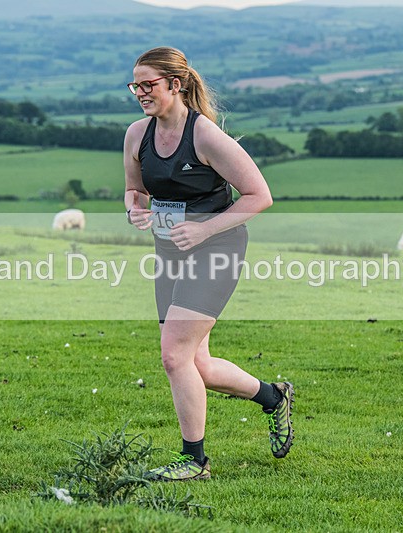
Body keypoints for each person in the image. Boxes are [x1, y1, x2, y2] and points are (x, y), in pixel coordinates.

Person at [123, 46, 294, 481]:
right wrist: (135, 209)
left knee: (173, 356)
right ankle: (273, 398)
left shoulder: (205, 136)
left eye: (149, 84)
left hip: (215, 249)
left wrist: (203, 230)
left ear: (175, 85)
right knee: (196, 364)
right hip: (168, 252)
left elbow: (261, 196)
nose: (141, 92)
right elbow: (134, 189)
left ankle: (194, 461)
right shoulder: (136, 134)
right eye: (135, 85)